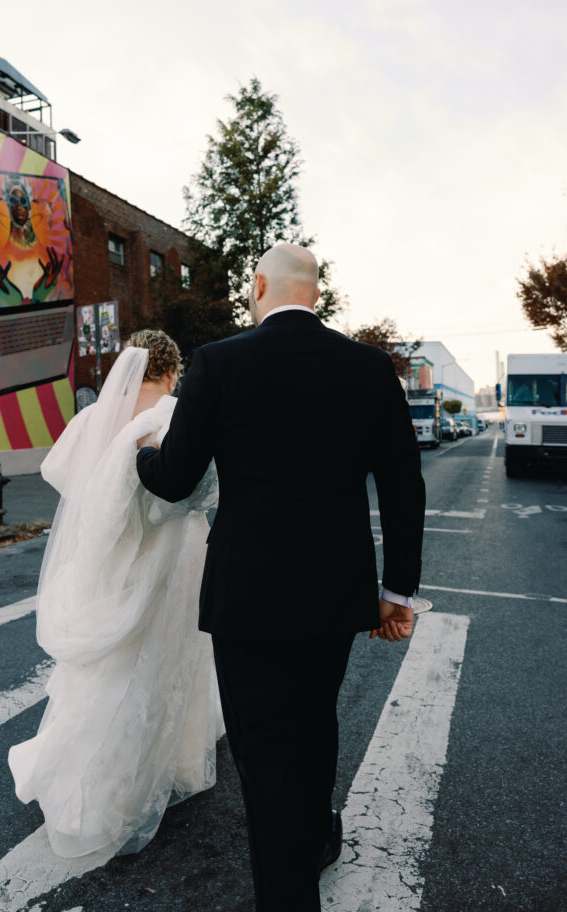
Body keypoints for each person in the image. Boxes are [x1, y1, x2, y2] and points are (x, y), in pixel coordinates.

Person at [137, 244, 425, 912]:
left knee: (264, 750)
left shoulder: (219, 362)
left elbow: (175, 479)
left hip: (247, 594)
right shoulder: (367, 367)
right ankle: (316, 833)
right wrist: (395, 591)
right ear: (316, 294)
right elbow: (402, 485)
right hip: (334, 593)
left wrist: (142, 456)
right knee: (312, 724)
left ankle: (288, 897)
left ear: (258, 285)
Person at [8, 329, 223, 859]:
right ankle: (165, 768)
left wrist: (101, 497)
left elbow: (58, 470)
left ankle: (85, 777)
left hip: (108, 558)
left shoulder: (93, 418)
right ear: (172, 371)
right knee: (165, 664)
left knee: (108, 670)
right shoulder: (175, 414)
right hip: (171, 556)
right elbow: (194, 490)